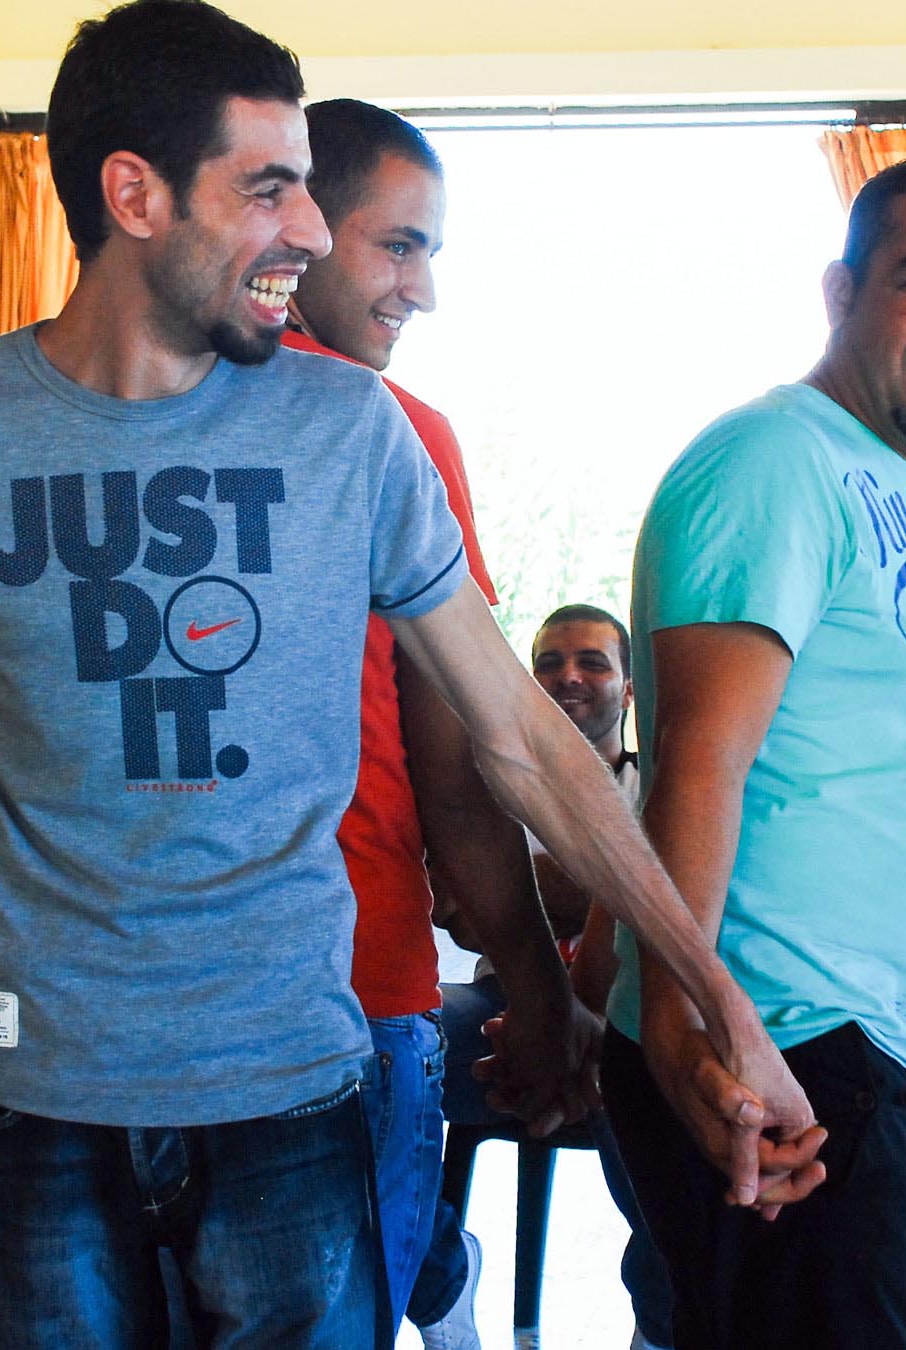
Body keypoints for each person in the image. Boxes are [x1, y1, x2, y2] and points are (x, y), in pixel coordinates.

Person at [0, 3, 808, 1344]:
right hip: (30, 1093)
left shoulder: (352, 430)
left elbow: (522, 734)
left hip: (291, 1087)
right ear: (134, 194)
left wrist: (719, 1003)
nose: (308, 231)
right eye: (268, 187)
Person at [599, 154, 906, 1350]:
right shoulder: (774, 461)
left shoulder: (877, 476)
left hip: (842, 1040)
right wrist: (699, 1025)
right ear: (840, 294)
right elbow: (697, 756)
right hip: (781, 1048)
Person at [285, 97, 596, 1338]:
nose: (421, 290)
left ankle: (441, 1277)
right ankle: (441, 1280)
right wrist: (531, 981)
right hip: (352, 994)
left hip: (320, 976)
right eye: (397, 245)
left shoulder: (124, 410)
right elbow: (467, 753)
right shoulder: (395, 432)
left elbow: (462, 750)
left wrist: (527, 971)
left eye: (432, 252)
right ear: (297, 226)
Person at [413, 604, 676, 1350]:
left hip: (627, 1023)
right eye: (551, 662)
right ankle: (441, 1273)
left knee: (656, 1076)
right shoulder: (492, 784)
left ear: (629, 688)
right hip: (506, 1015)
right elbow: (459, 908)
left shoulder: (662, 786)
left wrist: (524, 888)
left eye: (592, 661)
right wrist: (615, 889)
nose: (568, 676)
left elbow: (681, 901)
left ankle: (661, 1327)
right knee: (384, 1047)